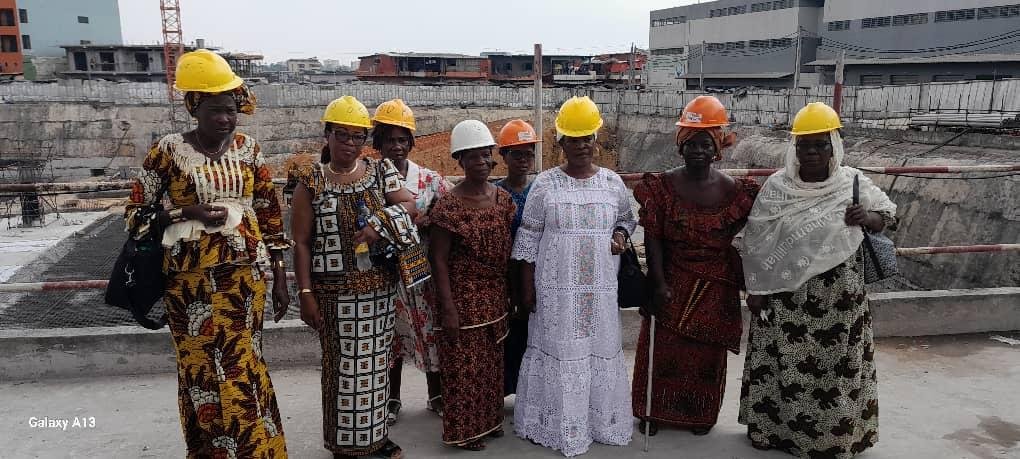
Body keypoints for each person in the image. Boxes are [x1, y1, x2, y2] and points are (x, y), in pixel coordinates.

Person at [125, 49, 290, 458]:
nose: (226, 119)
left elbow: (270, 214)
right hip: (188, 285)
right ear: (194, 108)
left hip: (243, 282)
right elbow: (135, 217)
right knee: (201, 371)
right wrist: (186, 212)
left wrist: (281, 276)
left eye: (231, 110)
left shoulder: (250, 151)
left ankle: (256, 451)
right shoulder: (168, 151)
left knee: (242, 364)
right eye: (216, 110)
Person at [736, 102, 897, 459]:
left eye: (820, 145)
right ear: (794, 148)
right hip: (786, 301)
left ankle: (834, 439)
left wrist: (866, 217)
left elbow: (888, 218)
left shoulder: (853, 183)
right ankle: (775, 432)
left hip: (840, 302)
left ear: (833, 147)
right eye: (804, 145)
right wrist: (757, 290)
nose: (811, 153)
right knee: (783, 369)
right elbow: (758, 241)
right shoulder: (777, 188)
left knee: (834, 373)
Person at [289, 95, 419, 459]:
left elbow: (409, 203)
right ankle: (344, 444)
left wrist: (381, 223)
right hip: (332, 295)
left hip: (377, 290)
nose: (349, 144)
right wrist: (305, 293)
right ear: (327, 135)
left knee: (375, 366)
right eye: (342, 135)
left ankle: (374, 438)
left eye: (357, 137)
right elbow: (300, 242)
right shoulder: (311, 181)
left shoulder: (380, 172)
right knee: (342, 369)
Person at [512, 96, 635, 457]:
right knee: (561, 355)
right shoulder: (545, 186)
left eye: (587, 138)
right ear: (560, 143)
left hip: (599, 292)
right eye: (573, 139)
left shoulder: (613, 184)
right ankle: (556, 426)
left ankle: (598, 423)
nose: (581, 146)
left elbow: (627, 220)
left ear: (596, 139)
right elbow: (528, 240)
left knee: (597, 352)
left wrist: (622, 235)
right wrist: (526, 292)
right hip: (555, 294)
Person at [631, 96, 760, 437]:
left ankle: (698, 415)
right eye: (691, 144)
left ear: (717, 147)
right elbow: (654, 237)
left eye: (706, 144)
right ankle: (651, 412)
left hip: (716, 286)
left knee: (705, 355)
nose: (698, 151)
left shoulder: (735, 191)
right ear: (680, 146)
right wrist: (657, 282)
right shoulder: (662, 188)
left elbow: (761, 232)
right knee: (662, 351)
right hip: (671, 279)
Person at [430, 119, 517, 451]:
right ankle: (465, 431)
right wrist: (448, 309)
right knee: (465, 367)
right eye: (473, 157)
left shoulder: (503, 200)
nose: (481, 163)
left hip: (494, 296)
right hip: (463, 297)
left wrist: (509, 293)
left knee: (492, 364)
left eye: (486, 156)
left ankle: (490, 422)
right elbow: (438, 260)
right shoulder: (448, 207)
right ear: (460, 161)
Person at [371, 99, 449, 424]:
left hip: (422, 273)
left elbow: (450, 211)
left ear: (411, 142)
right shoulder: (369, 179)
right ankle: (392, 399)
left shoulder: (428, 180)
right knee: (391, 337)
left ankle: (436, 393)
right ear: (378, 144)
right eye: (389, 139)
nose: (397, 146)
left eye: (402, 139)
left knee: (430, 332)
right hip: (386, 274)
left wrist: (426, 221)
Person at [493, 119, 540, 396]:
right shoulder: (497, 194)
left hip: (533, 276)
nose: (524, 159)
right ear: (504, 156)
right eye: (517, 153)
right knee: (506, 339)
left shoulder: (540, 191)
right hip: (504, 277)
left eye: (528, 153)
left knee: (529, 338)